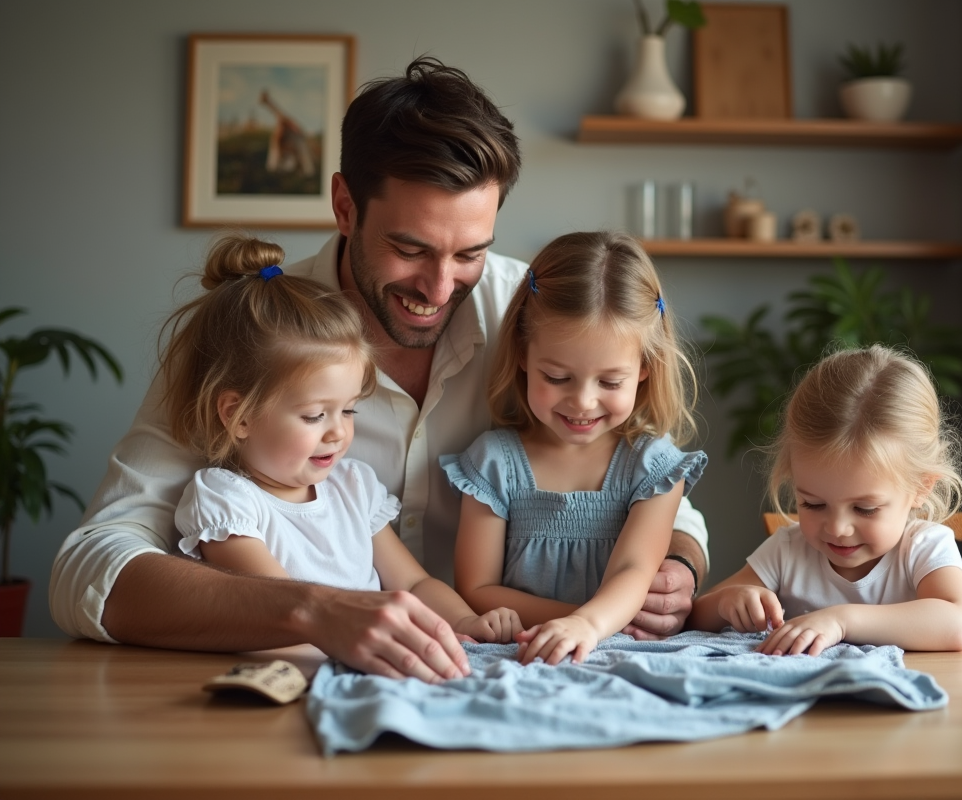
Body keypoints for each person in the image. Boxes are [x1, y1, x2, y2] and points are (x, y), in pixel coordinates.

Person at [49, 57, 708, 681]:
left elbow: (650, 479)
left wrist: (677, 560)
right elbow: (88, 569)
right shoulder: (250, 330)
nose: (441, 286)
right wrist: (310, 609)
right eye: (409, 248)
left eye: (471, 252)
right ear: (344, 207)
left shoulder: (539, 319)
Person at [161, 234, 521, 662]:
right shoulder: (227, 504)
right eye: (315, 416)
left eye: (348, 411)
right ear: (238, 416)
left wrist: (462, 624)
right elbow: (284, 613)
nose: (337, 434)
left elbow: (415, 584)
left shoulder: (352, 486)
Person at [442, 232, 706, 665]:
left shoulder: (654, 465)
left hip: (622, 656)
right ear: (523, 354)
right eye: (558, 377)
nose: (583, 401)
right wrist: (575, 622)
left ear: (644, 368)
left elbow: (634, 570)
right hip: (522, 655)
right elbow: (476, 588)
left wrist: (587, 626)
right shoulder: (493, 462)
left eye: (609, 382)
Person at [689, 345, 962, 656]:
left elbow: (957, 623)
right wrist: (729, 601)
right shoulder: (788, 550)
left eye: (864, 509)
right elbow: (694, 616)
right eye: (813, 504)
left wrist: (842, 620)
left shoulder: (922, 548)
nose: (838, 528)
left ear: (921, 487)